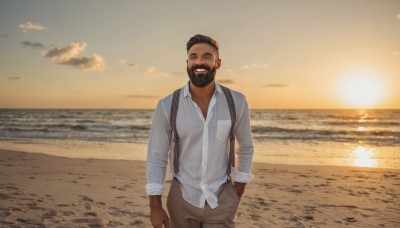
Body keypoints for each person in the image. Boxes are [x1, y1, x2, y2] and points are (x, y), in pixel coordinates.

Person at [146, 34, 254, 228]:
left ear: (218, 63)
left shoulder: (237, 101)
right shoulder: (167, 105)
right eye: (193, 57)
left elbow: (246, 147)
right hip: (181, 200)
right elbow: (157, 155)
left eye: (207, 56)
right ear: (187, 63)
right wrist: (155, 206)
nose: (199, 61)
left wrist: (237, 191)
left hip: (222, 199)